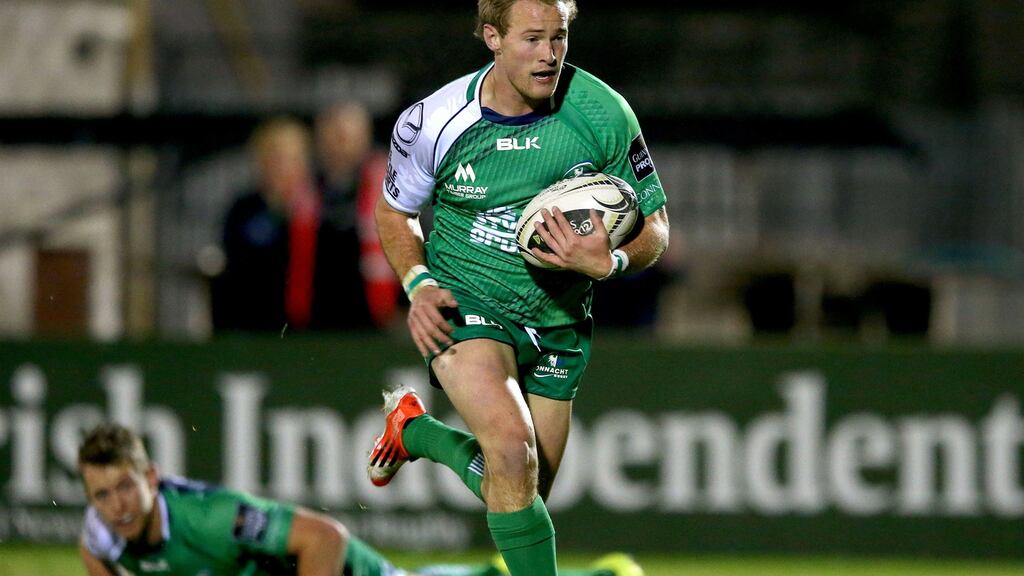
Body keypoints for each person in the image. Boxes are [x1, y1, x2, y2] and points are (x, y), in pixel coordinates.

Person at [368, 1, 669, 576]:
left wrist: (609, 262)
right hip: (465, 301)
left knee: (520, 488)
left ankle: (416, 432)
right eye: (532, 38)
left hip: (559, 320)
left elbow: (656, 228)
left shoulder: (603, 112)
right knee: (512, 450)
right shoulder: (434, 121)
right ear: (493, 37)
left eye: (559, 37)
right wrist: (419, 283)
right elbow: (393, 212)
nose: (549, 54)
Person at [77, 423, 643, 576]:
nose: (117, 505)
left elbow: (326, 539)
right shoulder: (100, 541)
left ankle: (608, 574)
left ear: (152, 477)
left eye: (126, 486)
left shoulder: (211, 517)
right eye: (102, 494)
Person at [212, 117, 375, 333]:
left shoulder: (326, 209)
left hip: (313, 328)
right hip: (252, 325)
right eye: (275, 158)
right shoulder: (244, 209)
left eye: (292, 159)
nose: (283, 168)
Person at [315, 103, 400, 330]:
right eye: (333, 135)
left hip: (377, 318)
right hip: (316, 318)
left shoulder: (393, 185)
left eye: (346, 136)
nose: (340, 145)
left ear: (365, 138)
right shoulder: (306, 188)